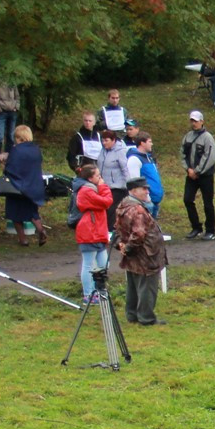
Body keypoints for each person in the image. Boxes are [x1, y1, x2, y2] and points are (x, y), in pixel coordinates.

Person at [115, 177, 167, 326]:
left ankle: (132, 315)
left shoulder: (123, 205)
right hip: (145, 254)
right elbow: (139, 234)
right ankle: (146, 317)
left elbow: (118, 228)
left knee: (133, 285)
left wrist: (122, 246)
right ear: (133, 191)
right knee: (147, 286)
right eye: (143, 189)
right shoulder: (137, 210)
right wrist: (129, 248)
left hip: (133, 254)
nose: (147, 191)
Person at [71, 163, 113, 302]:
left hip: (98, 230)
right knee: (88, 264)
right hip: (89, 231)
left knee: (104, 263)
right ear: (90, 178)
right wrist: (103, 186)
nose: (100, 178)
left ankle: (99, 289)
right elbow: (107, 201)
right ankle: (88, 294)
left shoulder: (92, 189)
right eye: (97, 175)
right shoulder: (86, 191)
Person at [1, 124, 47, 246]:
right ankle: (41, 229)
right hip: (34, 186)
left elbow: (10, 170)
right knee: (32, 212)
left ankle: (23, 240)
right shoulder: (36, 149)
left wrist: (4, 163)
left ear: (19, 137)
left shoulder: (16, 150)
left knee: (15, 214)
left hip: (18, 187)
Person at [181, 110, 215, 240]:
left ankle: (210, 230)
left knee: (208, 203)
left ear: (202, 121)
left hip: (206, 176)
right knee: (187, 199)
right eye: (192, 121)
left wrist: (197, 171)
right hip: (191, 175)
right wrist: (188, 170)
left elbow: (211, 156)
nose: (194, 123)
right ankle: (196, 227)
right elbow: (183, 154)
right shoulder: (187, 137)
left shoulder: (208, 137)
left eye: (196, 121)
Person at [96, 131, 130, 233]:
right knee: (105, 208)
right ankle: (106, 229)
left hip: (117, 186)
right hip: (104, 185)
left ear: (113, 140)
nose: (104, 143)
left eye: (106, 140)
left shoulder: (120, 151)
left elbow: (125, 169)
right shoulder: (102, 151)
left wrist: (129, 185)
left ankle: (111, 230)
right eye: (102, 140)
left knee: (111, 209)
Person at [127, 132, 163, 218]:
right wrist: (146, 199)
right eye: (149, 141)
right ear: (142, 143)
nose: (152, 144)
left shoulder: (149, 158)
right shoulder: (134, 159)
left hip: (154, 201)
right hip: (146, 202)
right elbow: (135, 181)